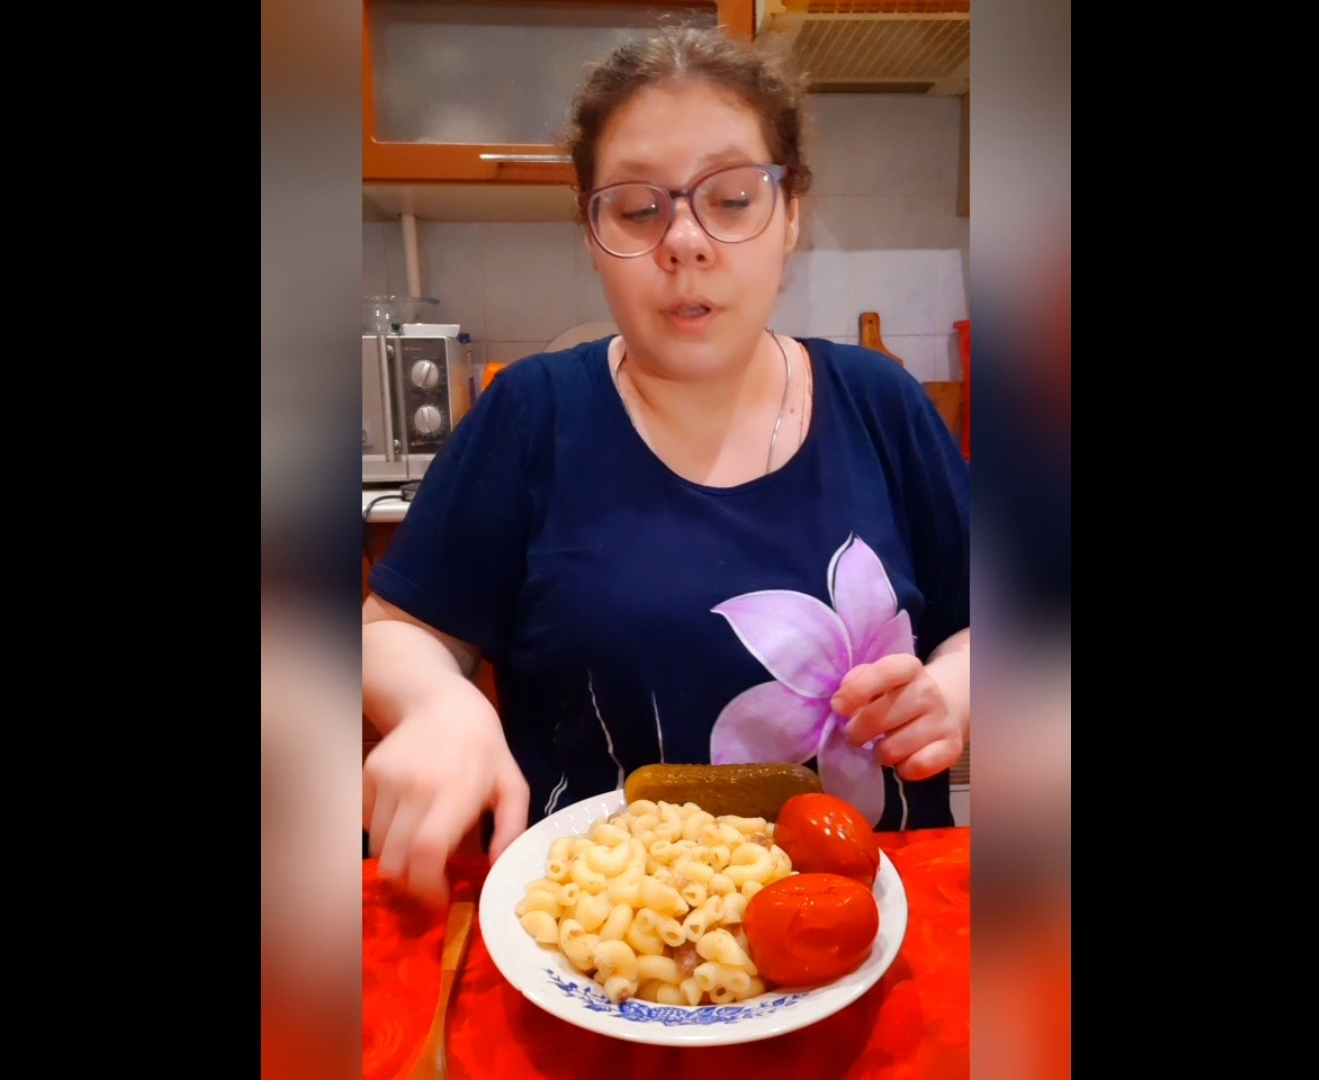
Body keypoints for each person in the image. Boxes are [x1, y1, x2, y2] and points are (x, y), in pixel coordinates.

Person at [363, 26, 970, 906]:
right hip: (598, 941)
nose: (684, 240)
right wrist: (435, 704)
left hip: (872, 923)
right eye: (638, 209)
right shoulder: (531, 414)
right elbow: (395, 629)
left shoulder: (882, 403)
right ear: (590, 227)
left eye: (731, 198)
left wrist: (953, 692)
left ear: (790, 213)